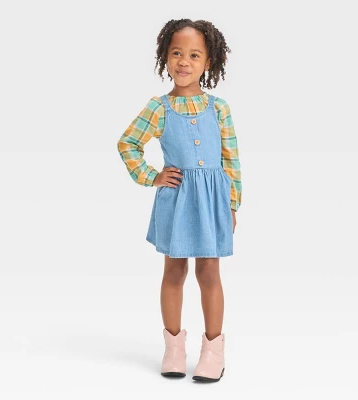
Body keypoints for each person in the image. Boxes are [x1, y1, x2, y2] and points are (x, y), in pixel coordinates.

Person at [117, 18, 242, 382]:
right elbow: (128, 143)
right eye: (176, 53)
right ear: (165, 58)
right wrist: (151, 176)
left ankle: (213, 351)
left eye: (194, 55)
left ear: (209, 62)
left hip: (212, 201)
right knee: (173, 271)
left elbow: (231, 159)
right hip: (177, 199)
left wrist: (232, 204)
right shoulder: (159, 108)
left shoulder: (219, 108)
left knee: (209, 272)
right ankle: (174, 349)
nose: (184, 62)